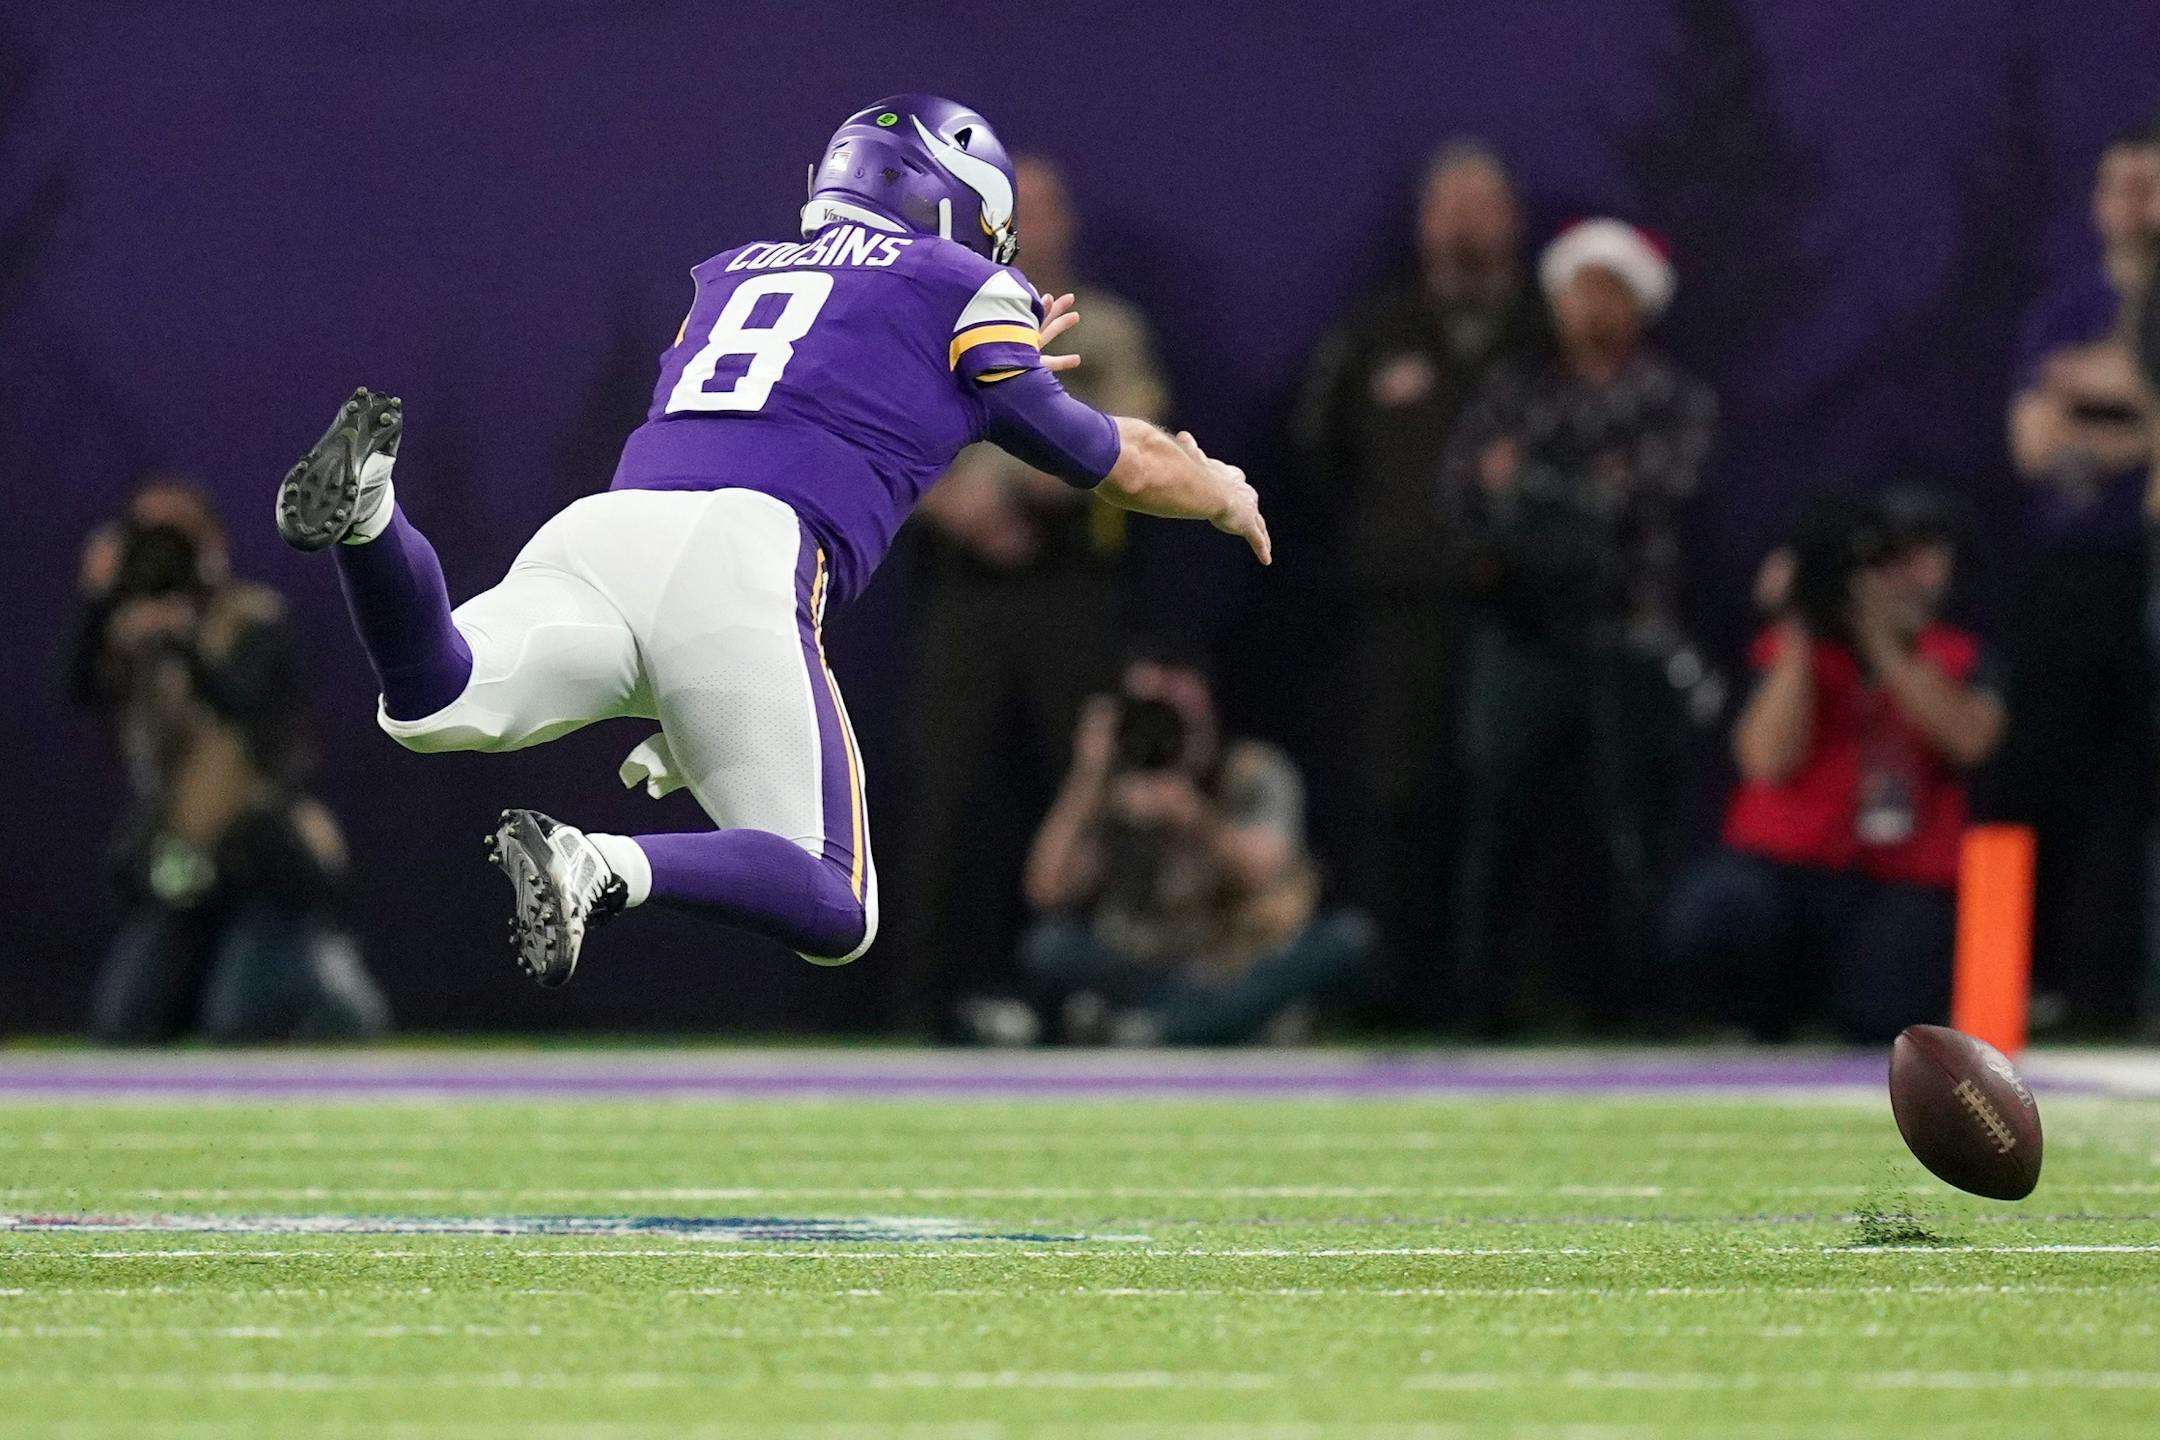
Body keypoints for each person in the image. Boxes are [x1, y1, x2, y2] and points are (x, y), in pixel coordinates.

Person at [272, 95, 1270, 988]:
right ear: (956, 203)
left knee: (434, 698)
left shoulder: (729, 275)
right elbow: (1110, 458)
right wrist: (1220, 490)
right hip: (743, 558)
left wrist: (684, 684)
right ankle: (604, 865)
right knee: (836, 903)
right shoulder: (961, 282)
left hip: (609, 527)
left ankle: (369, 515)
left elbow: (819, 396)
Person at [898, 155, 1170, 1032]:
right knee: (952, 789)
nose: (1032, 224)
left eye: (1047, 208)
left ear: (1070, 224)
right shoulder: (936, 324)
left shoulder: (1110, 326)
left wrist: (1017, 488)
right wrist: (956, 509)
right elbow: (889, 433)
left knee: (1085, 780)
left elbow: (1134, 431)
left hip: (1070, 582)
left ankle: (1088, 991)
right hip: (966, 584)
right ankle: (936, 999)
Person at [1440, 217, 1717, 1032]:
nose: (1592, 308)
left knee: (1634, 829)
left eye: (1610, 291)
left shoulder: (1671, 397)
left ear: (1639, 304)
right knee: (1501, 821)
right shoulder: (1514, 389)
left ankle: (1643, 1005)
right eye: (1578, 290)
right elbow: (1463, 496)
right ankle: (1480, 1008)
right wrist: (1576, 493)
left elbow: (1652, 496)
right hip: (1522, 638)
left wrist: (1529, 489)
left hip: (1628, 638)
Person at [1292, 142, 1551, 1014]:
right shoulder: (1376, 334)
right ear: (1423, 223)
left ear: (1512, 221)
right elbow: (1314, 459)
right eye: (1451, 206)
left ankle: (1510, 994)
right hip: (1401, 614)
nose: (1467, 226)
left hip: (1528, 615)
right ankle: (1396, 992)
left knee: (1517, 802)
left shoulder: (1547, 336)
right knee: (1399, 799)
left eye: (1484, 205)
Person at [1664, 492, 2004, 1043]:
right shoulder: (1792, 649)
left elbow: (1970, 740)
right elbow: (1766, 760)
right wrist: (1803, 621)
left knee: (1889, 996)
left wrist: (1884, 641)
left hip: (1899, 878)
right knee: (1721, 910)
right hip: (1787, 870)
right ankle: (1753, 1013)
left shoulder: (1954, 653)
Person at [70, 479, 388, 1043]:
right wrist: (100, 601)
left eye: (176, 536)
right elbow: (75, 690)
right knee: (125, 1022)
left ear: (209, 543)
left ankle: (327, 975)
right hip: (185, 859)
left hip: (263, 852)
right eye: (146, 536)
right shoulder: (128, 632)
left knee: (239, 1022)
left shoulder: (255, 616)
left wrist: (184, 640)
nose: (160, 549)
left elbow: (246, 703)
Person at [1990, 128, 2159, 1030]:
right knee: (2043, 775)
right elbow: (2033, 443)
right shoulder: (2065, 306)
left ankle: (2120, 990)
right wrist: (2137, 414)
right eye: (2118, 185)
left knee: (2140, 784)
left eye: (2150, 185)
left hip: (2147, 558)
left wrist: (2093, 395)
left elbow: (2081, 409)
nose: (2134, 204)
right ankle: (2027, 985)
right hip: (2072, 569)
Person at [1014, 647, 1371, 1045]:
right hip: (1147, 960)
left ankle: (1152, 1026)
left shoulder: (1252, 769)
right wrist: (1087, 775)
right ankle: (1209, 1023)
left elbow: (1263, 870)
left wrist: (1191, 816)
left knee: (1346, 941)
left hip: (1238, 959)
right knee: (1048, 948)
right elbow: (1047, 889)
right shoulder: (1115, 783)